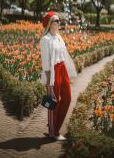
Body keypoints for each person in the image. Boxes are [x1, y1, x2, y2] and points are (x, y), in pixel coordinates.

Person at [39, 11, 77, 141]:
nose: (59, 22)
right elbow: (45, 63)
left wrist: (69, 72)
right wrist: (49, 81)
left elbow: (64, 56)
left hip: (62, 69)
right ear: (50, 24)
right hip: (53, 72)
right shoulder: (45, 39)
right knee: (54, 102)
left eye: (59, 20)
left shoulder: (59, 37)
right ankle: (53, 131)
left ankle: (54, 127)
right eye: (56, 21)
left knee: (67, 98)